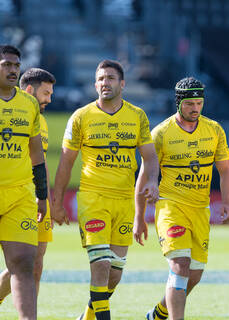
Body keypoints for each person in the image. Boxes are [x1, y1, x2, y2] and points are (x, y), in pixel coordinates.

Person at [52, 59, 159, 320]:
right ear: (94, 84)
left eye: (110, 78)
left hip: (123, 201)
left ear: (122, 83)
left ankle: (86, 317)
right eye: (100, 79)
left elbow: (150, 157)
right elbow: (66, 162)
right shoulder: (81, 117)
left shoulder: (137, 116)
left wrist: (153, 180)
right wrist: (56, 202)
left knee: (114, 275)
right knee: (100, 265)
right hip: (93, 198)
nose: (104, 83)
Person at [134, 77, 229, 320]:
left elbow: (226, 170)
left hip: (200, 209)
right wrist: (139, 217)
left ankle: (158, 313)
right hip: (171, 206)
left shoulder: (214, 130)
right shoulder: (161, 133)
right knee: (180, 264)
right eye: (190, 103)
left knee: (194, 275)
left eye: (199, 103)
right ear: (179, 103)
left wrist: (227, 202)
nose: (195, 108)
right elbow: (144, 176)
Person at [0, 67, 55, 303]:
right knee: (23, 262)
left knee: (35, 263)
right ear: (30, 89)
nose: (49, 99)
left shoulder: (39, 120)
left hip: (37, 198)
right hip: (17, 195)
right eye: (45, 93)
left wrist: (47, 197)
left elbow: (40, 162)